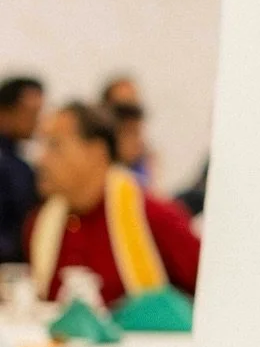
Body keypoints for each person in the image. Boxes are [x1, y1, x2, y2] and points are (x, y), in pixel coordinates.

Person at [27, 101, 200, 307]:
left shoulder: (155, 218)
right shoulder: (39, 224)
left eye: (55, 145)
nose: (41, 159)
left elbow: (215, 293)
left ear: (97, 152)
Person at [0, 76, 43, 266]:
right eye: (31, 113)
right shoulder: (12, 168)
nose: (36, 121)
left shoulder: (20, 164)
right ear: (5, 112)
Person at [99, 75, 153, 184]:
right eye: (122, 108)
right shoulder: (96, 154)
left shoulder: (144, 160)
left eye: (134, 104)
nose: (130, 111)